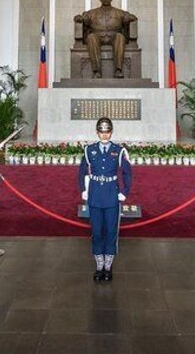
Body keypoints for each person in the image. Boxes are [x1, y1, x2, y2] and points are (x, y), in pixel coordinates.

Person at [78, 117, 132, 283]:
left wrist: (124, 191)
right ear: (97, 132)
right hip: (95, 194)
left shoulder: (119, 150)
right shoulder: (89, 150)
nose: (104, 135)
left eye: (107, 131)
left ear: (111, 132)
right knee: (96, 232)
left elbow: (127, 172)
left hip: (111, 195)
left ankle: (108, 267)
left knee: (110, 232)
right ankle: (99, 265)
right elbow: (81, 172)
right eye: (101, 131)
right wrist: (83, 190)